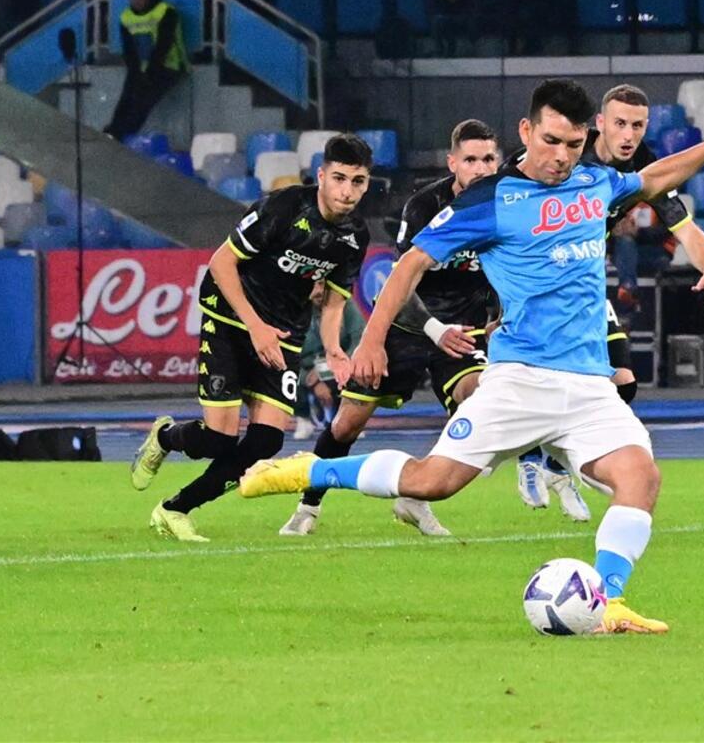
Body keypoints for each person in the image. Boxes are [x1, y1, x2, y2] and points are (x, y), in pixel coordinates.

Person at [239, 80, 704, 635]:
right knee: (431, 482)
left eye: (573, 145)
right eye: (551, 142)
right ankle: (309, 471)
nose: (561, 156)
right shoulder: (491, 199)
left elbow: (659, 176)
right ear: (526, 131)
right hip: (520, 380)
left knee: (641, 478)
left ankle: (609, 602)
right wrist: (372, 340)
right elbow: (410, 265)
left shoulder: (595, 183)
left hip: (590, 387)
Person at [279, 119, 519, 537]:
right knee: (347, 425)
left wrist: (499, 319)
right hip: (406, 327)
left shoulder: (507, 207)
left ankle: (416, 496)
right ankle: (307, 507)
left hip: (461, 334)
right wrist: (431, 329)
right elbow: (401, 283)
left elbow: (510, 272)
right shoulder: (425, 207)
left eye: (488, 159)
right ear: (453, 163)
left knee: (480, 401)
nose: (481, 168)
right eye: (470, 160)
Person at [129, 134, 373, 542]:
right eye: (339, 178)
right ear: (321, 176)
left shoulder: (355, 236)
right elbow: (221, 263)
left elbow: (334, 302)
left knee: (266, 440)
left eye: (358, 181)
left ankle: (174, 509)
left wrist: (334, 350)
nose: (347, 191)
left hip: (284, 330)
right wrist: (256, 327)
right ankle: (165, 436)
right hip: (229, 315)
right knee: (218, 439)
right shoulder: (282, 208)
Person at [511, 84, 704, 516]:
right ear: (600, 124)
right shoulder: (567, 151)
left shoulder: (644, 167)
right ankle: (529, 455)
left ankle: (554, 460)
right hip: (531, 279)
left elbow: (684, 227)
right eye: (620, 124)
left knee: (623, 380)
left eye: (638, 125)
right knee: (534, 377)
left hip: (582, 283)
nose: (629, 135)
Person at [103, 0, 189, 140]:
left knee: (142, 102)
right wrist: (134, 70)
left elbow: (164, 44)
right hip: (140, 67)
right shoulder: (126, 17)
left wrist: (150, 71)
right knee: (126, 97)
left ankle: (124, 136)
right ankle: (112, 131)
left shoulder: (166, 12)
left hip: (168, 65)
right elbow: (128, 48)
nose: (136, 2)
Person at [292, 281, 366, 440]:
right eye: (314, 286)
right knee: (288, 372)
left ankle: (350, 418)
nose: (319, 291)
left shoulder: (347, 306)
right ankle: (303, 418)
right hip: (307, 369)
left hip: (341, 364)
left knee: (361, 366)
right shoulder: (298, 309)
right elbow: (293, 351)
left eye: (322, 285)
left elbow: (358, 342)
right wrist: (312, 378)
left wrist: (324, 371)